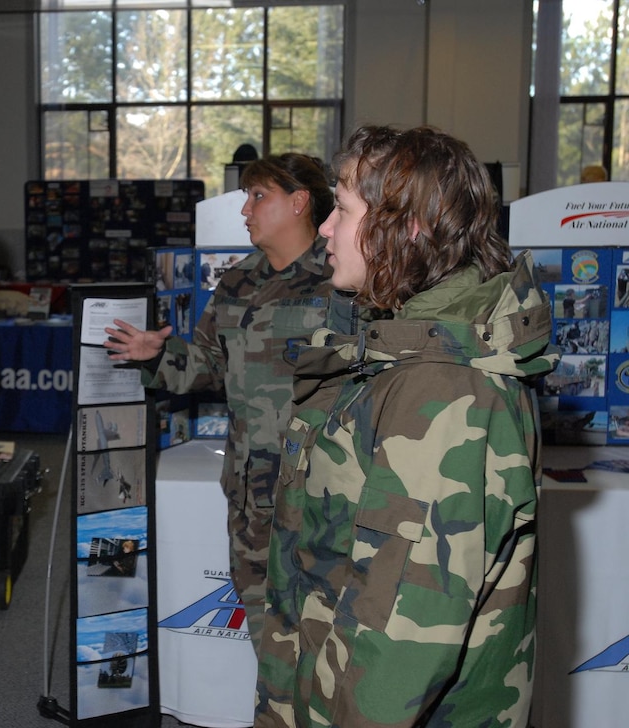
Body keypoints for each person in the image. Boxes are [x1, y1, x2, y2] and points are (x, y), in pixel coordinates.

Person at [259, 125, 560, 727]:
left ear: (408, 227)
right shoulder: (402, 351)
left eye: (341, 210)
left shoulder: (445, 393)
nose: (324, 228)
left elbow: (395, 649)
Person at [103, 153, 343, 726]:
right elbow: (205, 366)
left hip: (322, 492)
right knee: (262, 616)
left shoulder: (343, 281)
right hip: (251, 488)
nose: (246, 208)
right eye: (246, 196)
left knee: (329, 623)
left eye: (258, 195)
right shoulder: (238, 280)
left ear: (299, 200)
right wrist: (156, 355)